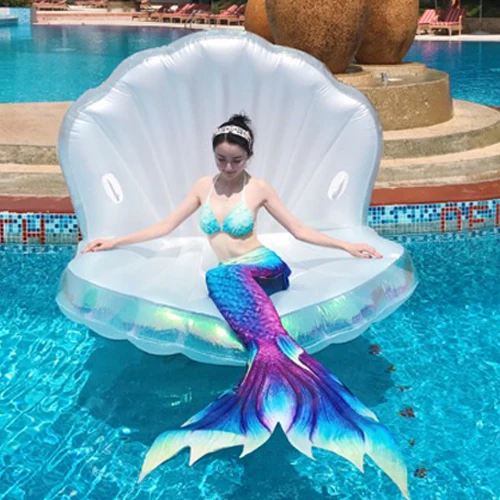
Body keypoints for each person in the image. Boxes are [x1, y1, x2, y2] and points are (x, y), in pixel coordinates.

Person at [82, 114, 408, 498]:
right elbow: (165, 226)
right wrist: (114, 241)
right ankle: (278, 385)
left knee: (218, 277)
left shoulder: (259, 189)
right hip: (233, 274)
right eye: (221, 159)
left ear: (248, 156)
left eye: (236, 160)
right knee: (226, 282)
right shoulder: (203, 187)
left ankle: (285, 394)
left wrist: (347, 246)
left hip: (263, 266)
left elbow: (299, 229)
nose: (228, 167)